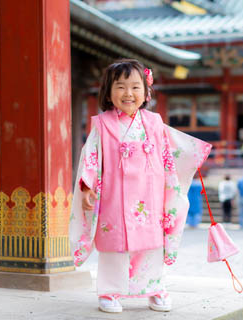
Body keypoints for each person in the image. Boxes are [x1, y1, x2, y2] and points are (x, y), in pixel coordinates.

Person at [69, 59, 212, 313]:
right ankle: (110, 291)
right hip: (114, 196)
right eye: (120, 87)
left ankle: (154, 288)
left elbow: (169, 156)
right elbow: (90, 157)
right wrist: (87, 186)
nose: (128, 93)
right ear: (108, 92)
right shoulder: (101, 125)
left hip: (149, 196)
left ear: (146, 92)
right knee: (114, 244)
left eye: (135, 87)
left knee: (151, 245)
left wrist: (184, 168)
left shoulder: (154, 123)